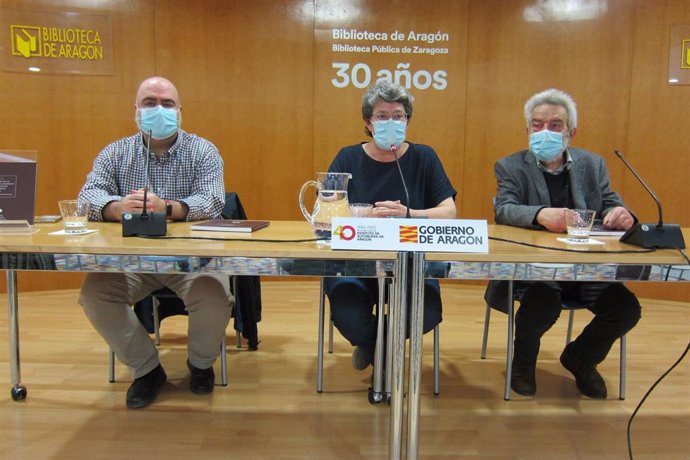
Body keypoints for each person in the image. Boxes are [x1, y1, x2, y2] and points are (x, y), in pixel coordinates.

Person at [78, 76, 233, 409]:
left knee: (215, 295)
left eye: (167, 104)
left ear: (180, 112)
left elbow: (214, 201)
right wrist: (115, 208)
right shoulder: (115, 152)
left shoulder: (203, 151)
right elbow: (86, 197)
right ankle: (147, 369)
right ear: (136, 111)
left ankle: (200, 364)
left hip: (191, 262)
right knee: (94, 294)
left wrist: (170, 209)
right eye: (150, 103)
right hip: (129, 262)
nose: (159, 110)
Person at [485, 88, 641, 399]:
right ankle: (523, 363)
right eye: (537, 124)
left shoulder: (592, 164)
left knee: (626, 309)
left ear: (571, 132)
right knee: (542, 304)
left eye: (555, 125)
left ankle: (581, 357)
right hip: (539, 269)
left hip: (588, 268)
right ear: (528, 129)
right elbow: (504, 209)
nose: (545, 131)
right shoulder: (511, 166)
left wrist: (620, 214)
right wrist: (543, 214)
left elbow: (610, 203)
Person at [324, 81, 457, 385]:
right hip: (354, 264)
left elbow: (448, 211)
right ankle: (378, 348)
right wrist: (361, 214)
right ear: (368, 124)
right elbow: (327, 210)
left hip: (412, 263)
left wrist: (409, 214)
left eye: (398, 115)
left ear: (408, 120)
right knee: (350, 319)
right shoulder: (347, 158)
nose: (391, 122)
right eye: (382, 116)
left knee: (425, 313)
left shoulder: (424, 157)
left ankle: (374, 350)